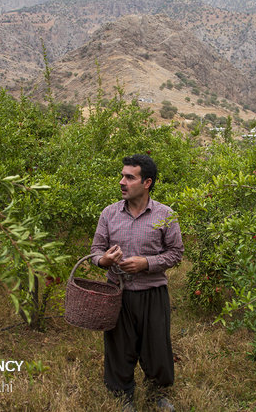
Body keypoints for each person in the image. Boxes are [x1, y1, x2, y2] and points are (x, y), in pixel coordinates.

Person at [91, 154, 184, 412]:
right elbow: (96, 251)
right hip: (117, 293)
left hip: (152, 291)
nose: (122, 182)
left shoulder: (165, 214)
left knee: (156, 346)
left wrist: (147, 263)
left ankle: (156, 393)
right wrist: (104, 261)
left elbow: (176, 252)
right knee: (119, 347)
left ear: (147, 183)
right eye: (122, 175)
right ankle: (123, 396)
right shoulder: (109, 214)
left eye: (129, 177)